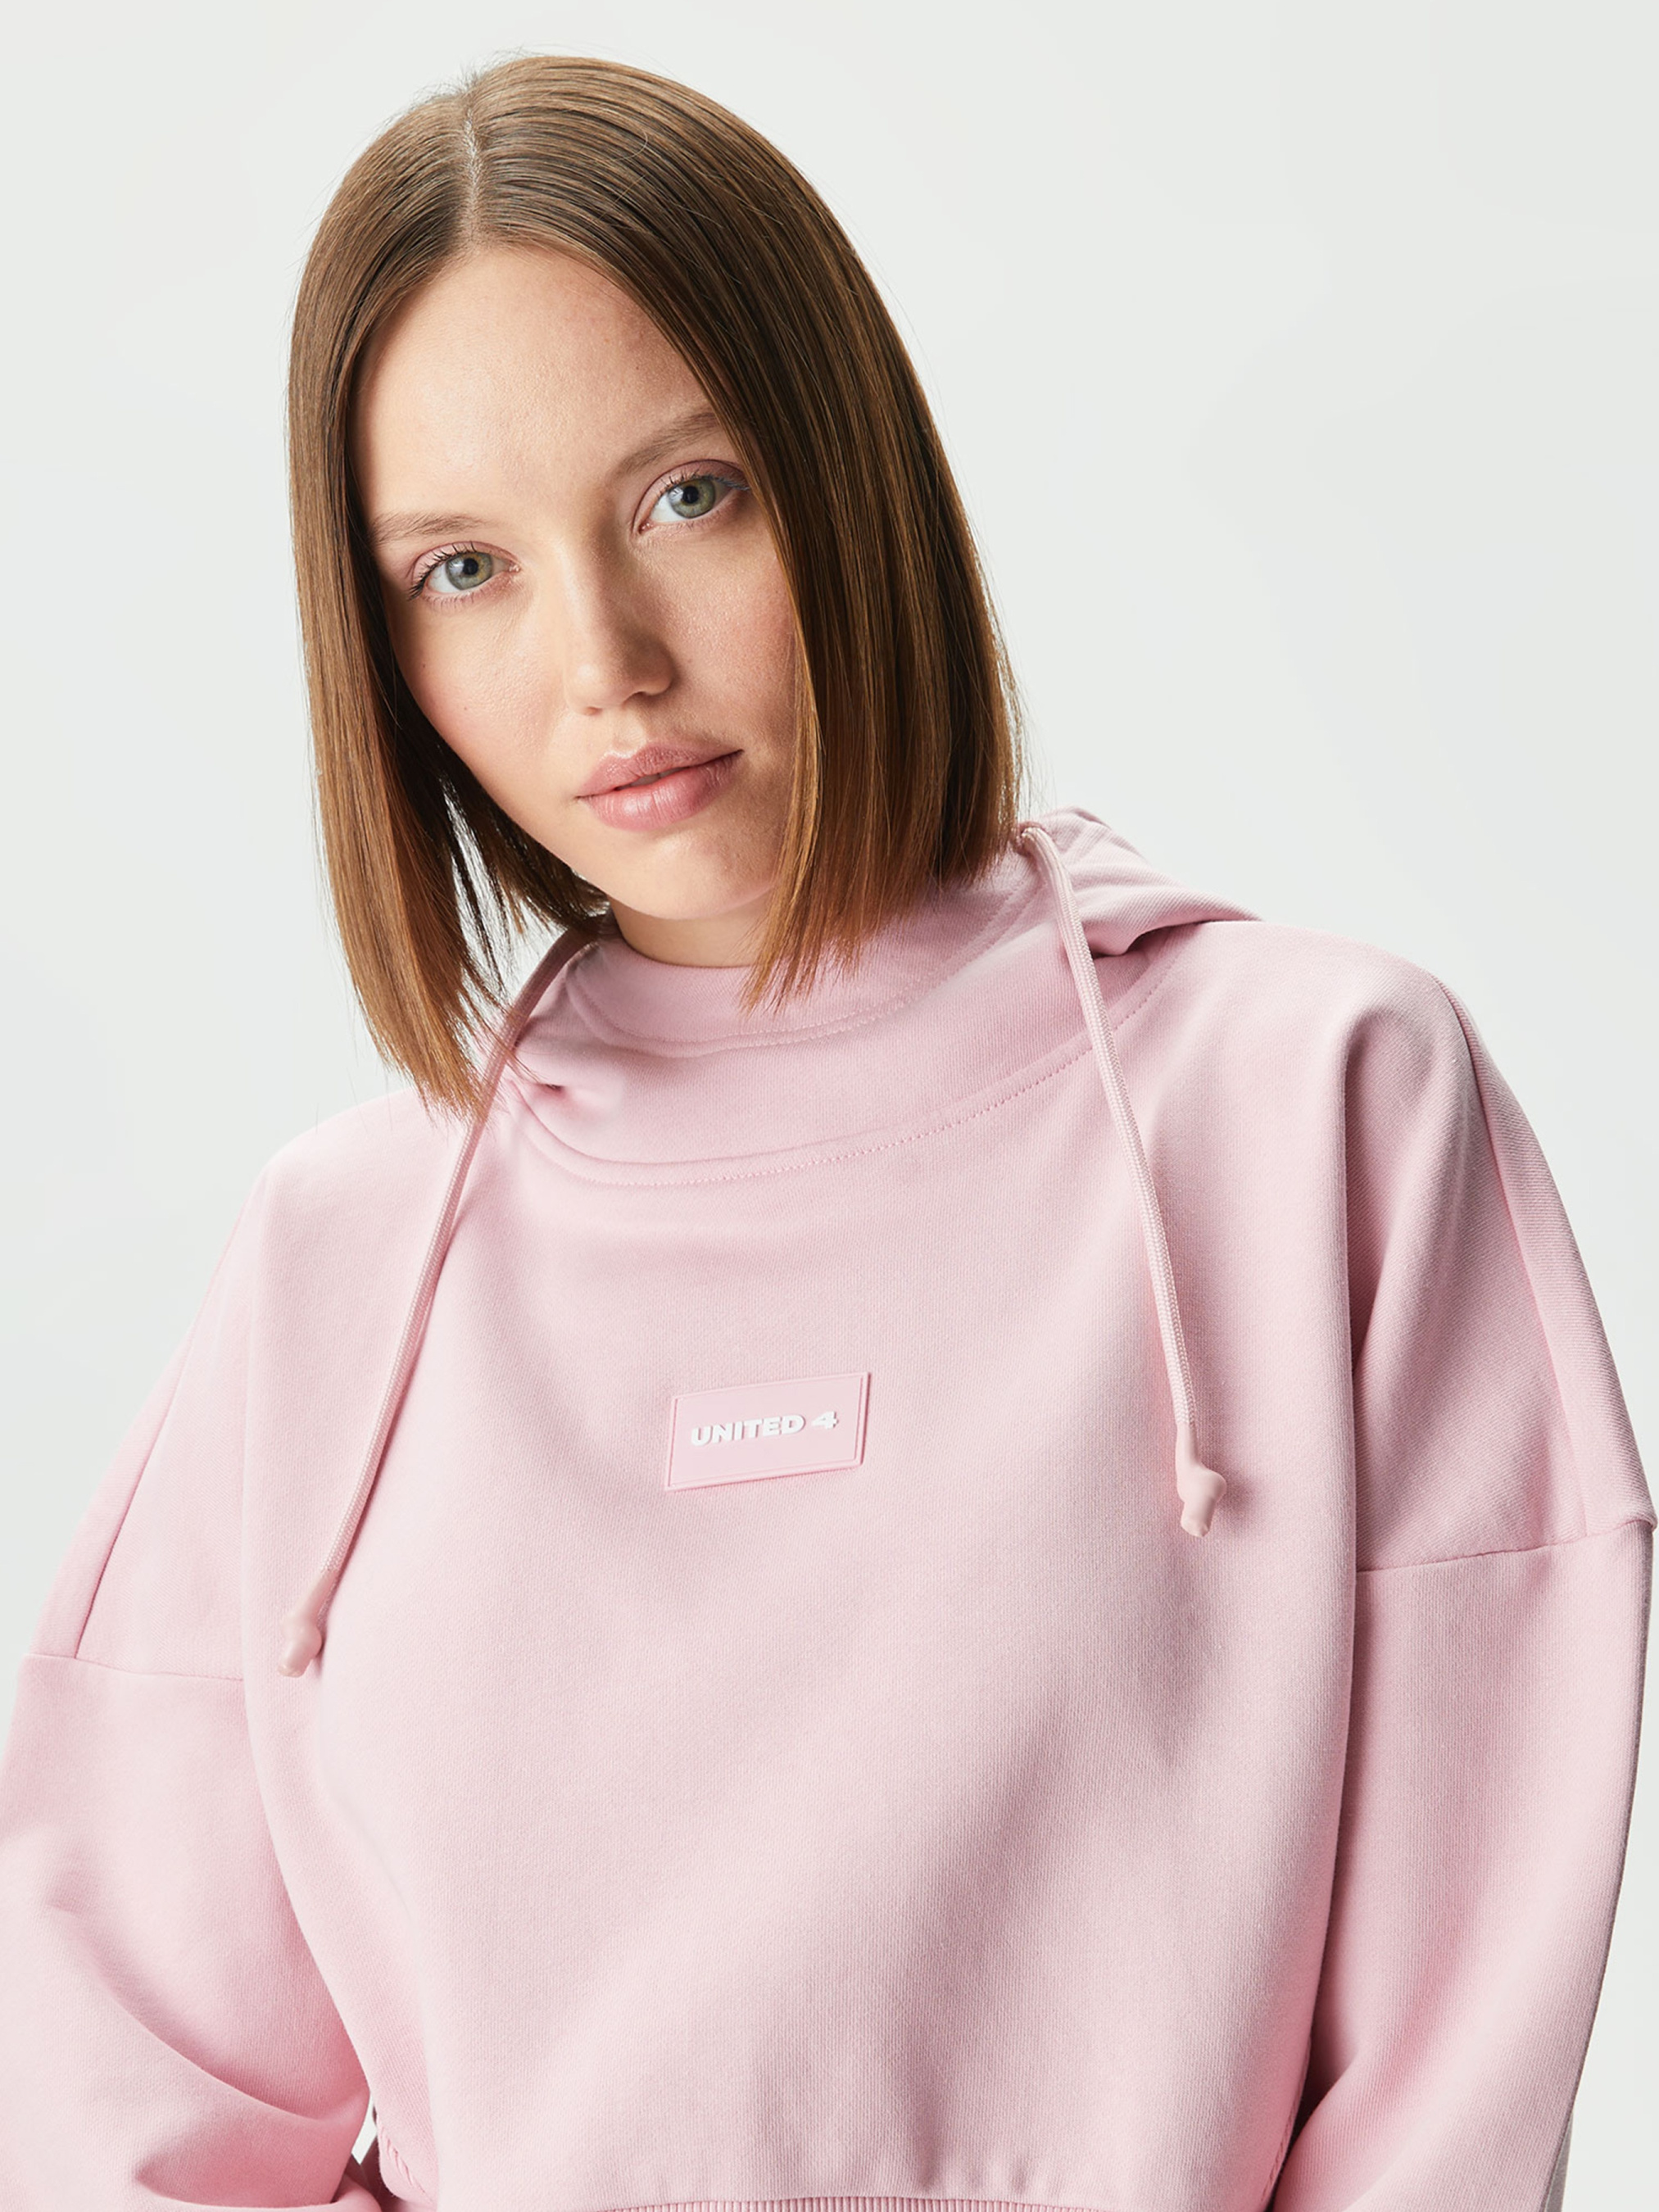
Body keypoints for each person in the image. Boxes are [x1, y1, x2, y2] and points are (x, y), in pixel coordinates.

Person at [0, 52, 1648, 2212]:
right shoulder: (343, 1251)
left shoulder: (1320, 1102)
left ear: (850, 473)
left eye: (688, 496)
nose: (603, 661)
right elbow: (115, 2081)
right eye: (465, 568)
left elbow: (1447, 2087)